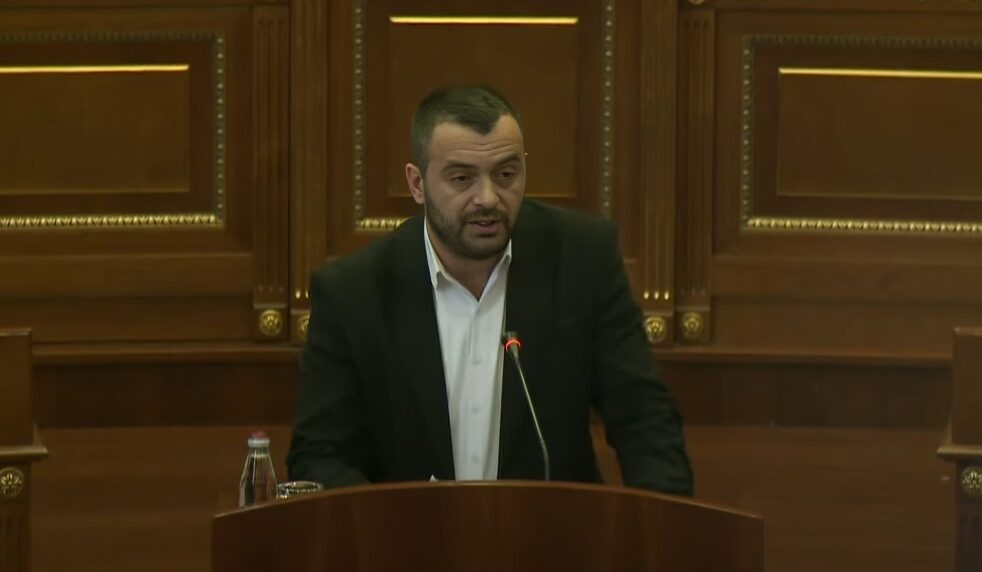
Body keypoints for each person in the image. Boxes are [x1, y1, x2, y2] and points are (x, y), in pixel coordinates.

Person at [287, 85, 693, 495]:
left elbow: (645, 420)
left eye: (505, 175)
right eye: (462, 178)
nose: (487, 198)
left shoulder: (582, 261)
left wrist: (662, 525)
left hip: (552, 531)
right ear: (417, 183)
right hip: (404, 535)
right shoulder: (353, 293)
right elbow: (320, 455)